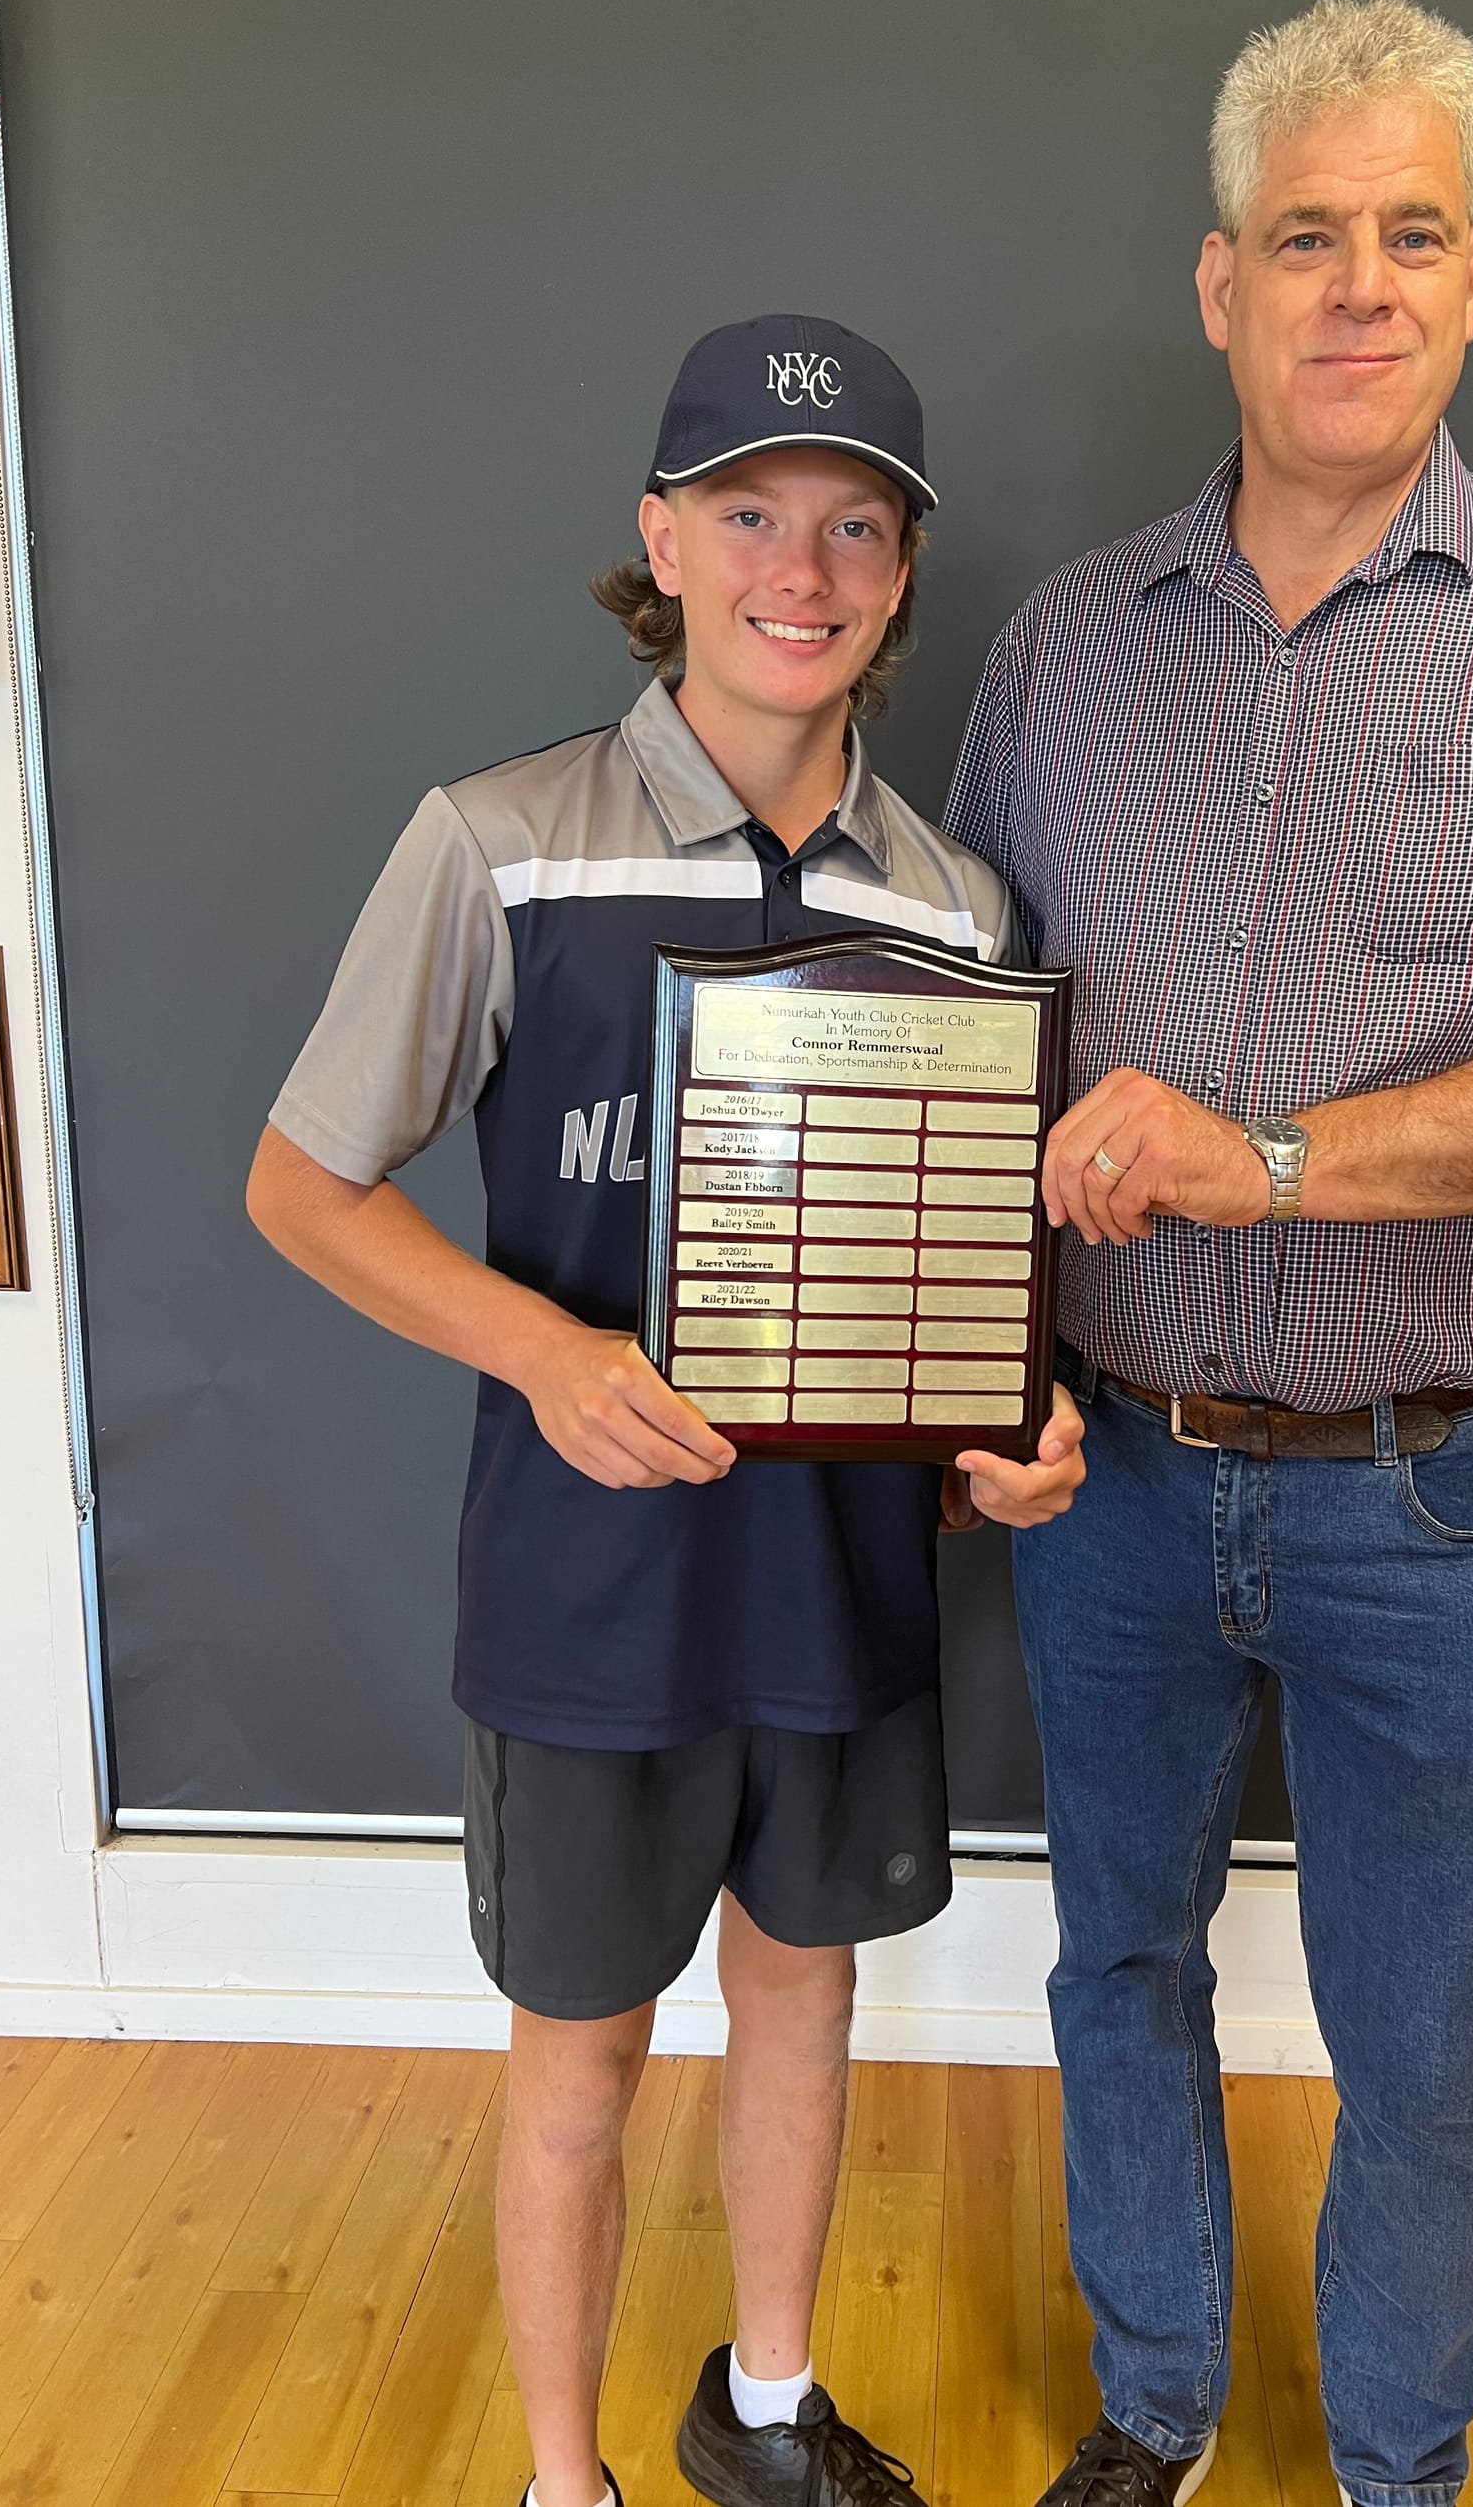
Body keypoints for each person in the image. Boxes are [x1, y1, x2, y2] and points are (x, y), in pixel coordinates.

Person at [946, 0, 1473, 2507]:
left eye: (1411, 233)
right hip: (1111, 1481)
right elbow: (970, 1051)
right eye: (1305, 235)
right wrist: (984, 1371)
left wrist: (1270, 1159)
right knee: (1116, 1967)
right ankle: (1159, 2405)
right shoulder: (1060, 649)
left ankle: (1398, 2466)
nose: (1359, 284)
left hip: (1440, 1484)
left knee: (1426, 2041)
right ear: (1221, 284)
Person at [248, 313, 1085, 2507]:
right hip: (588, 1600)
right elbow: (301, 1186)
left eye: (856, 526)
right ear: (665, 538)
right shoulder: (500, 843)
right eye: (749, 513)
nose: (800, 569)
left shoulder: (957, 905)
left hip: (837, 1593)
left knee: (802, 2003)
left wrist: (1011, 1440)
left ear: (902, 572)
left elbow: (951, 1287)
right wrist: (545, 1351)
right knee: (582, 2060)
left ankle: (769, 2415)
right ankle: (566, 2478)